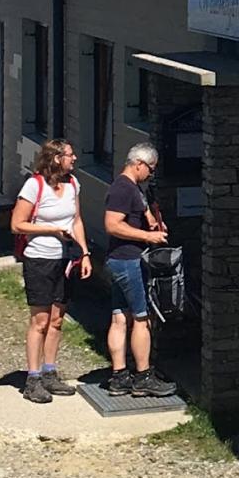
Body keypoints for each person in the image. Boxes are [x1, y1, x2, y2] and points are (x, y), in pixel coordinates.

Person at [10, 137, 89, 399]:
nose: (74, 159)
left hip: (65, 259)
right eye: (69, 155)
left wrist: (85, 252)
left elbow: (76, 220)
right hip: (40, 258)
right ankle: (32, 378)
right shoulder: (34, 186)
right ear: (57, 159)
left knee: (57, 319)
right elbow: (18, 224)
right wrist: (52, 229)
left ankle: (50, 371)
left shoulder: (73, 185)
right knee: (40, 320)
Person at [98, 140, 171, 400]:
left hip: (119, 259)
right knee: (142, 317)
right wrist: (147, 237)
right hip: (128, 260)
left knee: (120, 317)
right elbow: (113, 225)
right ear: (138, 164)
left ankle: (119, 377)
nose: (151, 173)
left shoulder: (135, 190)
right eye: (150, 168)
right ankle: (143, 376)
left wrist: (151, 224)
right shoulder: (123, 189)